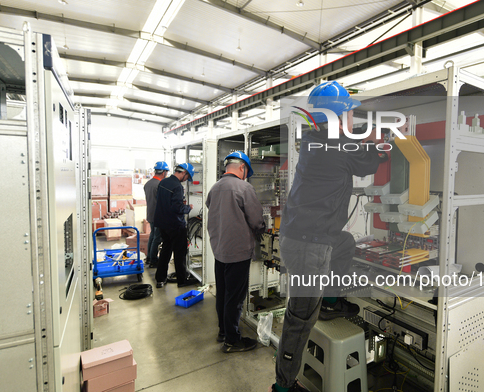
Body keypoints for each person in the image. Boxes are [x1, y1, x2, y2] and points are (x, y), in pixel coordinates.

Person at [271, 81, 387, 392]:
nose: (352, 120)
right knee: (300, 318)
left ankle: (331, 301)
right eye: (348, 113)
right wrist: (379, 142)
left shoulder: (314, 140)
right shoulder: (336, 145)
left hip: (303, 235)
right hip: (310, 245)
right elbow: (370, 161)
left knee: (345, 243)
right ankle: (283, 385)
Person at [206, 151, 266, 353]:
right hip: (238, 251)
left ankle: (223, 331)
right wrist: (261, 230)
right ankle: (232, 340)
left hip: (220, 249)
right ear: (242, 167)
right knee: (235, 298)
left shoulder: (215, 188)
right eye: (247, 171)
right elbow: (256, 220)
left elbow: (211, 208)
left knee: (223, 293)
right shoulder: (244, 187)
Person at [153, 163, 194, 288]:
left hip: (162, 223)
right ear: (183, 173)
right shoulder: (177, 186)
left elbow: (164, 202)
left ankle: (160, 279)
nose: (186, 179)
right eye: (187, 177)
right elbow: (177, 208)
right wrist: (187, 207)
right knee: (179, 253)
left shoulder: (163, 182)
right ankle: (182, 280)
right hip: (175, 225)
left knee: (165, 250)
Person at [144, 161, 169, 268]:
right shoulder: (160, 185)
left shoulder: (148, 184)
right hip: (158, 216)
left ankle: (149, 257)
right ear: (163, 172)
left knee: (152, 236)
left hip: (150, 214)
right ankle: (154, 260)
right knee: (157, 238)